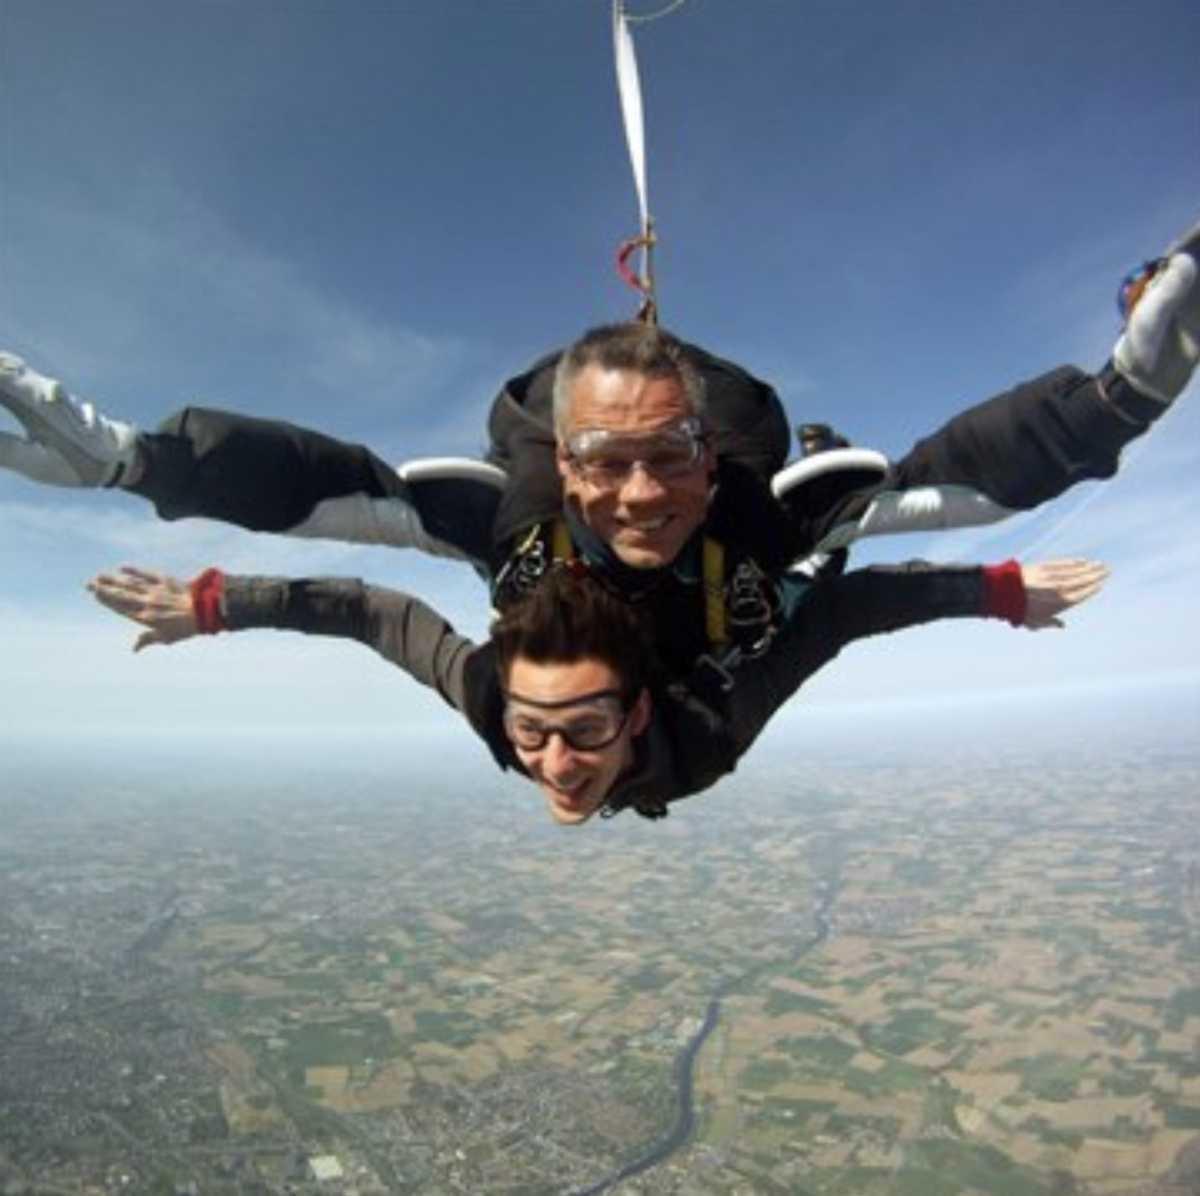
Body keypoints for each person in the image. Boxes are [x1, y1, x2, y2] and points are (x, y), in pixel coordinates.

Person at [4, 218, 1195, 675]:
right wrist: (1119, 404)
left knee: (821, 500)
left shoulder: (522, 557)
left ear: (703, 457)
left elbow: (340, 509)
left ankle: (714, 421)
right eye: (606, 465)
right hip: (739, 534)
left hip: (717, 480)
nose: (638, 498)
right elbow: (937, 511)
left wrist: (145, 467)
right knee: (829, 509)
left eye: (668, 459)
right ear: (570, 469)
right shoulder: (746, 542)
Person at [88, 556, 1108, 824]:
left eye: (582, 730)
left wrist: (999, 591)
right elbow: (371, 611)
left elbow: (843, 614)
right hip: (596, 625)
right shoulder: (499, 701)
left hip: (689, 637)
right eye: (535, 732)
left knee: (779, 603)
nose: (556, 762)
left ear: (637, 715)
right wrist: (215, 604)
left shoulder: (706, 724)